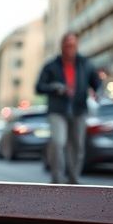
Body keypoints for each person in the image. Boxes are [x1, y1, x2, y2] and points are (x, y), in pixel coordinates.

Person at [36, 32, 101, 184]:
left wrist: (98, 91)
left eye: (73, 45)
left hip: (79, 109)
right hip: (57, 110)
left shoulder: (86, 64)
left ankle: (73, 179)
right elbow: (39, 87)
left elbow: (96, 82)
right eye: (67, 45)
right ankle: (57, 178)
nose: (70, 48)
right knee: (58, 142)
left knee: (77, 145)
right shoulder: (51, 66)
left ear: (77, 45)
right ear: (62, 46)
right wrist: (54, 87)